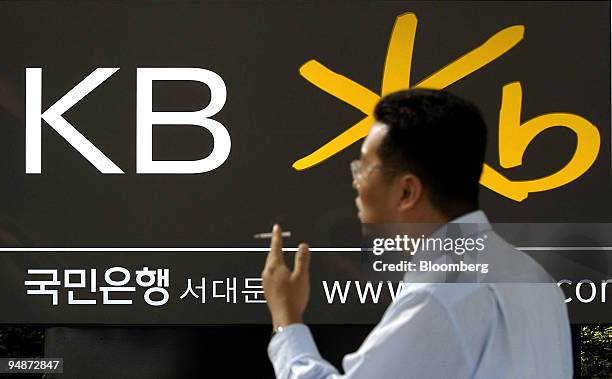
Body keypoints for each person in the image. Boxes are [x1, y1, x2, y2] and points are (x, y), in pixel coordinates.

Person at [261, 89, 573, 378]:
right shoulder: (536, 278)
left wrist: (286, 320)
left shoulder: (438, 297)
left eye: (362, 168)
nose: (356, 184)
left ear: (407, 191)